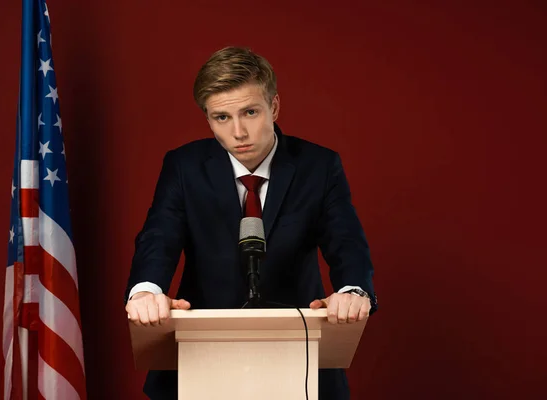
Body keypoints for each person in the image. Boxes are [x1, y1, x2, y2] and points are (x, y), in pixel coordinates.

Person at [125, 46, 378, 400]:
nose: (239, 132)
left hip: (297, 356)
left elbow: (346, 240)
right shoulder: (184, 166)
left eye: (250, 112)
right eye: (221, 118)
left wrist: (353, 290)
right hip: (202, 356)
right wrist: (146, 290)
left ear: (274, 107)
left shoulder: (319, 166)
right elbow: (159, 236)